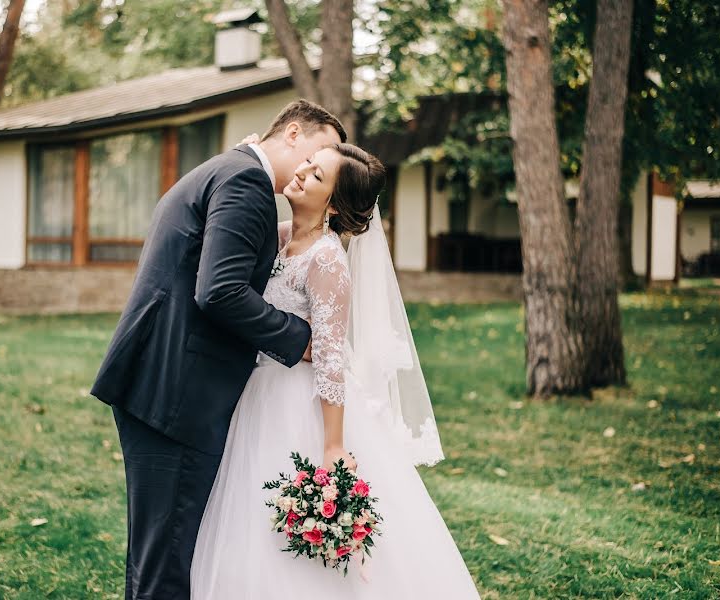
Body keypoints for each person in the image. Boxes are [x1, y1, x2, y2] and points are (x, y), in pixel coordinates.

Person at [190, 143, 482, 598]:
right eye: (308, 162)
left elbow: (329, 362)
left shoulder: (327, 261)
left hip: (296, 403)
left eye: (318, 175)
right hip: (255, 392)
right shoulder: (281, 236)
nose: (303, 171)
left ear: (333, 204)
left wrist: (331, 446)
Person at [90, 100, 346, 600]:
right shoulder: (245, 183)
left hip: (159, 385)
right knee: (166, 565)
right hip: (179, 395)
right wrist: (300, 338)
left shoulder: (225, 170)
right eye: (321, 152)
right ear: (293, 133)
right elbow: (220, 291)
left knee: (156, 556)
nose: (321, 168)